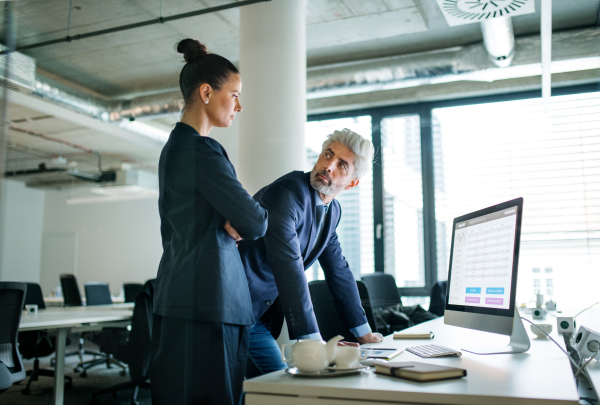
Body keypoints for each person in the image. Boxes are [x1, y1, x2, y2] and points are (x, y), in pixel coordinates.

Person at [150, 39, 268, 405]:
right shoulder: (202, 150)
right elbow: (256, 222)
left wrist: (229, 217)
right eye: (233, 95)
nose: (239, 105)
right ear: (205, 92)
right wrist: (234, 218)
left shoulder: (174, 148)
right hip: (210, 301)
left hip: (178, 296)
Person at [235, 128, 384, 375]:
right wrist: (313, 342)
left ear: (352, 183)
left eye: (342, 165)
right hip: (232, 307)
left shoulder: (332, 212)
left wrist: (364, 333)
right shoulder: (288, 193)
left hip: (257, 315)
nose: (329, 166)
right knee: (277, 389)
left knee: (267, 389)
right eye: (328, 155)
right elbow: (289, 267)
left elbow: (339, 271)